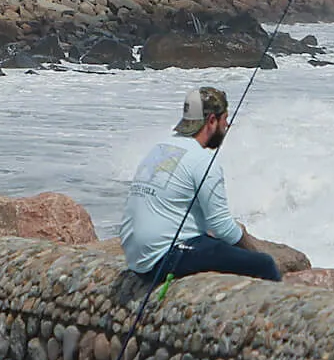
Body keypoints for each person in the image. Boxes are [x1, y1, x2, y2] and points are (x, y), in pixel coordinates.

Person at [118, 87, 281, 282]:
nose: (227, 126)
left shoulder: (160, 148)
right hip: (163, 259)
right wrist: (254, 253)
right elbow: (221, 226)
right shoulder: (202, 160)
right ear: (212, 121)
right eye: (225, 119)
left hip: (135, 257)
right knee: (264, 264)